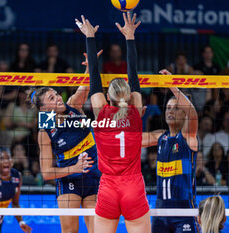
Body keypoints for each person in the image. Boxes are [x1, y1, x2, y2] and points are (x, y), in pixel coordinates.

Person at [78, 13, 150, 233]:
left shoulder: (101, 112)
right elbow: (134, 74)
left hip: (108, 187)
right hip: (133, 186)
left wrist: (90, 37)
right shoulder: (136, 112)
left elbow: (94, 81)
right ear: (129, 96)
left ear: (107, 97)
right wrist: (130, 37)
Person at [26, 50, 101, 233]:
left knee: (98, 230)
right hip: (69, 181)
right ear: (44, 109)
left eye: (57, 94)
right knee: (70, 231)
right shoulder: (45, 131)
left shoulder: (73, 106)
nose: (59, 97)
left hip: (93, 177)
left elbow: (86, 84)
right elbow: (46, 173)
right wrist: (74, 168)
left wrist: (90, 64)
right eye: (52, 98)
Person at [143, 69, 199, 232]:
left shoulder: (188, 136)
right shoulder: (161, 137)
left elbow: (193, 115)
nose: (170, 111)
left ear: (183, 113)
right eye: (168, 108)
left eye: (175, 108)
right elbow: (129, 139)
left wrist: (172, 85)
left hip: (184, 212)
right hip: (160, 213)